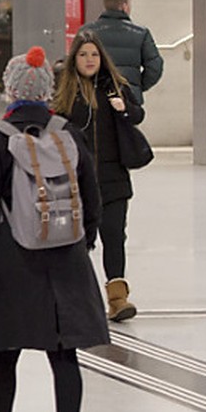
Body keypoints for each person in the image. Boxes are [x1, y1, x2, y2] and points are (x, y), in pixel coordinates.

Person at [0, 48, 107, 412]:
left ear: (10, 89)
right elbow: (92, 195)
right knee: (64, 356)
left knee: (4, 352)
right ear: (48, 89)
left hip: (12, 258)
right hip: (65, 255)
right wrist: (86, 242)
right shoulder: (69, 134)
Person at [52, 29, 147, 322]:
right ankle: (74, 297)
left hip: (113, 178)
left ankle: (118, 298)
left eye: (94, 54)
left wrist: (125, 109)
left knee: (114, 237)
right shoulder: (64, 90)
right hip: (75, 180)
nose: (89, 60)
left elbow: (138, 115)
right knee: (77, 241)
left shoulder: (115, 87)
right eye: (83, 54)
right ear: (74, 59)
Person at [79, 0, 164, 106]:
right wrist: (136, 86)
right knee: (127, 124)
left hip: (93, 97)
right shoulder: (141, 33)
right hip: (128, 99)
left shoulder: (86, 31)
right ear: (124, 6)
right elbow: (155, 67)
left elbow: (74, 64)